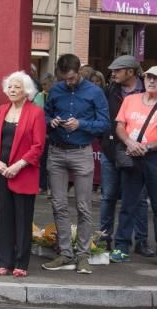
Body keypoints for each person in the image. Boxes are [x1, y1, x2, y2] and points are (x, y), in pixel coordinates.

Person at [41, 53, 110, 274]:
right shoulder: (56, 90)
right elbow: (43, 115)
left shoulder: (95, 92)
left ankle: (83, 256)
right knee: (58, 205)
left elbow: (104, 124)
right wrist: (50, 122)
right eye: (64, 79)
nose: (68, 82)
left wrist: (80, 124)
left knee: (83, 206)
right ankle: (64, 254)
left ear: (79, 71)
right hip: (57, 151)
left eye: (71, 78)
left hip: (82, 151)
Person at [111, 65, 157, 269]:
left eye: (156, 78)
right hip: (132, 154)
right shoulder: (130, 100)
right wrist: (130, 143)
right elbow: (119, 126)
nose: (150, 81)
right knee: (128, 204)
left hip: (155, 157)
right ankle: (121, 247)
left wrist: (148, 146)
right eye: (148, 77)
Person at [0, 71, 45, 278]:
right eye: (9, 86)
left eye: (17, 86)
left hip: (23, 173)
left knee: (22, 219)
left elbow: (38, 146)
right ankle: (4, 262)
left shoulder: (35, 113)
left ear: (26, 91)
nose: (12, 90)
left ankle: (21, 263)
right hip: (1, 171)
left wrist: (17, 166)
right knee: (4, 218)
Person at [100, 55, 151, 255]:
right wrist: (103, 139)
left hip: (138, 152)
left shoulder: (148, 91)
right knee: (108, 197)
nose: (112, 74)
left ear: (131, 72)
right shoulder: (110, 90)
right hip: (111, 150)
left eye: (117, 70)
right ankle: (104, 238)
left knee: (138, 198)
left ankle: (141, 241)